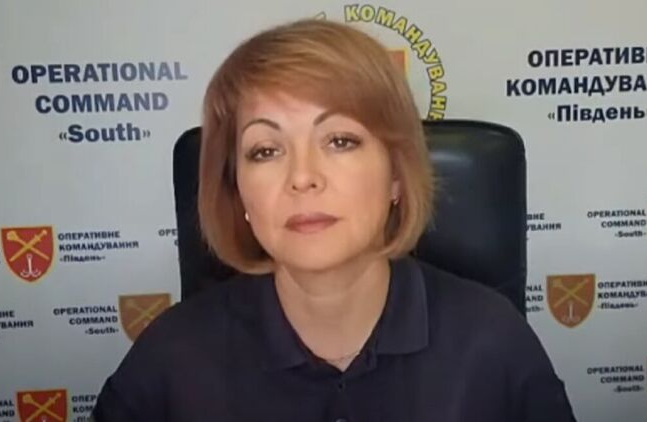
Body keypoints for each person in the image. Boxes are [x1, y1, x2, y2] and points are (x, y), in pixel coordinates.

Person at [92, 18, 576, 421]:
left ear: (396, 176)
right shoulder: (170, 357)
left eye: (340, 141)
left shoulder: (493, 342)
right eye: (265, 150)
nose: (302, 177)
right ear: (238, 191)